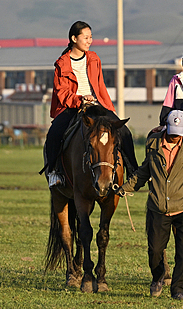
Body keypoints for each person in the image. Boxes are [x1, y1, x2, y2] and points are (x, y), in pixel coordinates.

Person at [115, 110, 183, 301]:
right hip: (159, 207)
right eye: (172, 132)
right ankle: (158, 277)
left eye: (178, 133)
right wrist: (126, 188)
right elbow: (145, 170)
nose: (175, 137)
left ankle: (177, 289)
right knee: (154, 251)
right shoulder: (153, 143)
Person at [41, 20, 137, 186]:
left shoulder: (94, 58)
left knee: (125, 132)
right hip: (71, 106)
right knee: (54, 134)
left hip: (97, 105)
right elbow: (61, 92)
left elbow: (100, 86)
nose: (89, 41)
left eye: (91, 37)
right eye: (85, 37)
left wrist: (107, 107)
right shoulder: (62, 64)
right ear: (73, 38)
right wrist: (80, 99)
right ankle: (54, 173)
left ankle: (133, 172)